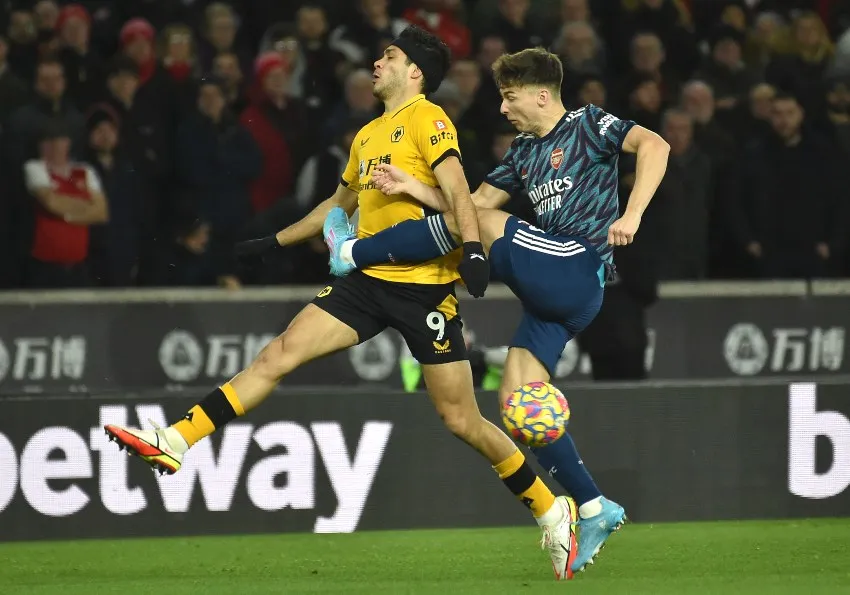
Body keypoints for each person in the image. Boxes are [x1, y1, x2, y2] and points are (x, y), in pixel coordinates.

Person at [102, 26, 577, 581]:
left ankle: (551, 507)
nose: (377, 63)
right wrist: (273, 241)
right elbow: (336, 203)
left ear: (415, 72)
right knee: (279, 352)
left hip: (423, 286)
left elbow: (457, 193)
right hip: (367, 280)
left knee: (462, 420)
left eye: (389, 56)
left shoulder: (429, 119)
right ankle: (176, 440)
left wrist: (473, 251)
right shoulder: (368, 134)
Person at [322, 47, 670, 574]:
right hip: (554, 298)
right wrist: (414, 187)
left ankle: (352, 252)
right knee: (517, 406)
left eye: (509, 97)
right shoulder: (524, 153)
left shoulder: (588, 123)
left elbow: (656, 144)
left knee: (480, 230)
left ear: (540, 94)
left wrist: (634, 212)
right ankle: (596, 506)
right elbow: (470, 206)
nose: (503, 109)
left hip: (576, 267)